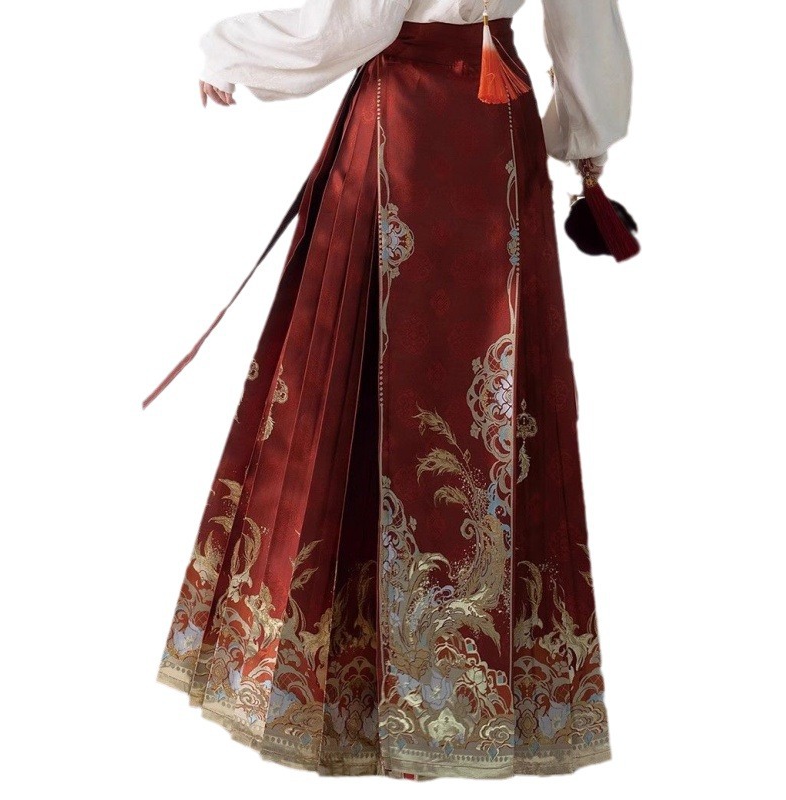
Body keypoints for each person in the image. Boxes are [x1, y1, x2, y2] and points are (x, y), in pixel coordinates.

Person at [151, 0, 632, 781]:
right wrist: (585, 134)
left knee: (361, 372)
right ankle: (473, 699)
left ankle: (344, 688)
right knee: (493, 388)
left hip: (405, 134)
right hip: (498, 134)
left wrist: (230, 51)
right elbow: (587, 21)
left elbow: (362, 20)